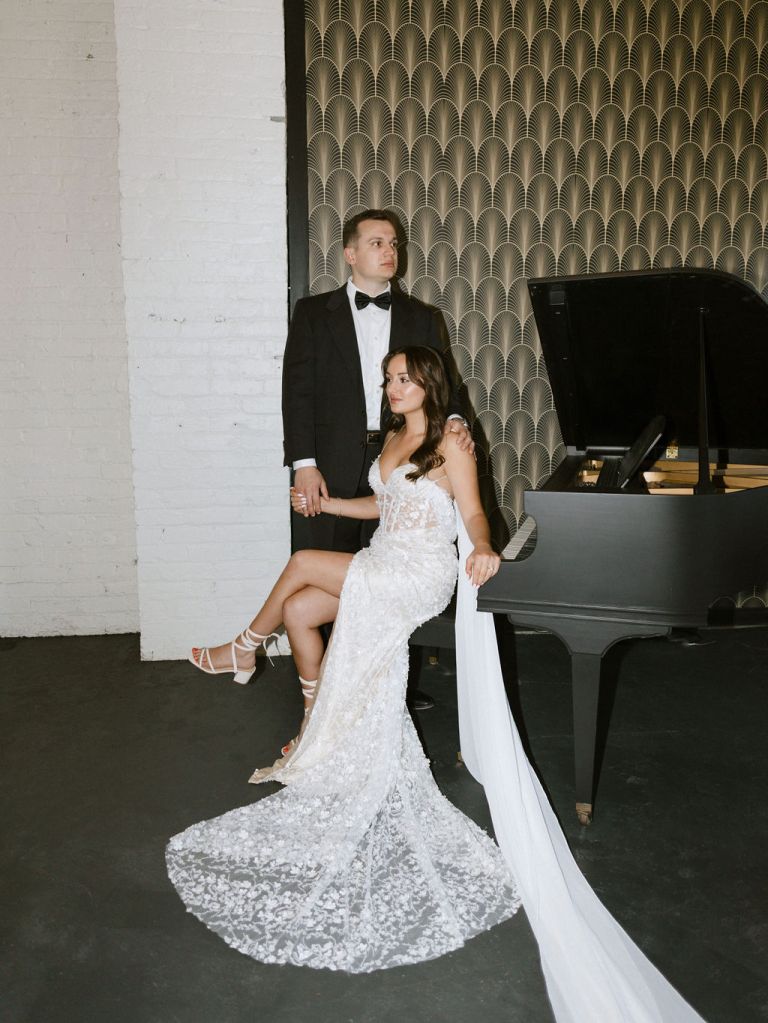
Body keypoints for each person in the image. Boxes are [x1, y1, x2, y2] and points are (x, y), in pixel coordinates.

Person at [172, 348, 707, 1021]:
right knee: (304, 610)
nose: (394, 388)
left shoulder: (453, 437)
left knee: (303, 562)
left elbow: (476, 514)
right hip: (383, 556)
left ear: (428, 382)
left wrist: (482, 547)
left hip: (420, 573)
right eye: (388, 379)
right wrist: (331, 499)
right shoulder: (393, 437)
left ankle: (242, 650)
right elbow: (382, 503)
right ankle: (318, 725)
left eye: (404, 378)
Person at [282, 208, 472, 556]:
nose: (390, 251)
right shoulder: (311, 314)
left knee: (387, 572)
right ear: (350, 254)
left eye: (394, 244)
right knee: (321, 569)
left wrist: (455, 421)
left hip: (399, 462)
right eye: (377, 243)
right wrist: (304, 466)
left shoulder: (423, 316)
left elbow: (446, 383)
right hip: (328, 463)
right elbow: (297, 394)